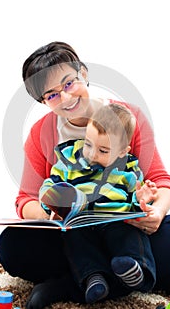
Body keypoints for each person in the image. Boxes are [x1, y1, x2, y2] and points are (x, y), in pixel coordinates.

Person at [0, 41, 170, 309]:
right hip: (75, 238)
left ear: (84, 74)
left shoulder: (128, 117)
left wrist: (156, 211)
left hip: (125, 233)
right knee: (12, 246)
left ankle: (66, 287)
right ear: (42, 101)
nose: (66, 98)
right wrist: (48, 215)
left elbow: (161, 180)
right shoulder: (41, 134)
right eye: (52, 95)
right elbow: (26, 199)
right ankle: (144, 275)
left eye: (69, 83)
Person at [40, 103, 158, 304]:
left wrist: (142, 201)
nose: (92, 154)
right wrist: (55, 203)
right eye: (88, 144)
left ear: (122, 151)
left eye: (103, 151)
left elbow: (134, 205)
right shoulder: (69, 161)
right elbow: (48, 187)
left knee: (131, 235)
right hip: (82, 223)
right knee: (74, 238)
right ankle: (94, 278)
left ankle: (135, 270)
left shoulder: (129, 171)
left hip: (116, 224)